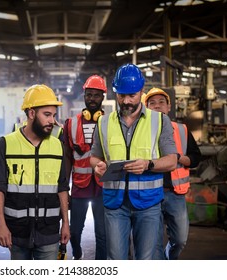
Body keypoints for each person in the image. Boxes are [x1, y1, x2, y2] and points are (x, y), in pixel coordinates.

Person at [90, 63, 177, 260]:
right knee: (116, 259)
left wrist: (149, 164)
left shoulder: (160, 121)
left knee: (145, 259)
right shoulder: (103, 122)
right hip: (115, 203)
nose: (126, 101)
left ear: (141, 92)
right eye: (121, 95)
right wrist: (98, 165)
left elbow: (172, 160)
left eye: (132, 95)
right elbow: (93, 156)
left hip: (148, 204)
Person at [0, 84, 70, 260]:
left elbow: (62, 187)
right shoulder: (6, 144)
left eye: (54, 115)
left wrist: (66, 224)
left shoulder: (57, 146)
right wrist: (0, 224)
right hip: (17, 233)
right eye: (47, 115)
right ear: (31, 113)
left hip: (49, 232)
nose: (52, 121)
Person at [144, 87, 202, 260]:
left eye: (161, 102)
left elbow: (196, 158)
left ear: (169, 107)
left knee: (180, 239)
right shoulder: (141, 132)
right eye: (152, 103)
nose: (157, 106)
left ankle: (169, 259)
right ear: (146, 108)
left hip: (175, 194)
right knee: (152, 242)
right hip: (150, 193)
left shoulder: (182, 130)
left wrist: (180, 158)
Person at [63, 75, 107, 260]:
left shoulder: (111, 122)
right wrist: (64, 187)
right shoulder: (71, 124)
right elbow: (66, 157)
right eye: (89, 95)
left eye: (96, 95)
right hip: (80, 186)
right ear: (84, 96)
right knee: (74, 230)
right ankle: (78, 253)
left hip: (103, 186)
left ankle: (101, 265)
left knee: (102, 232)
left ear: (103, 97)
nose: (92, 99)